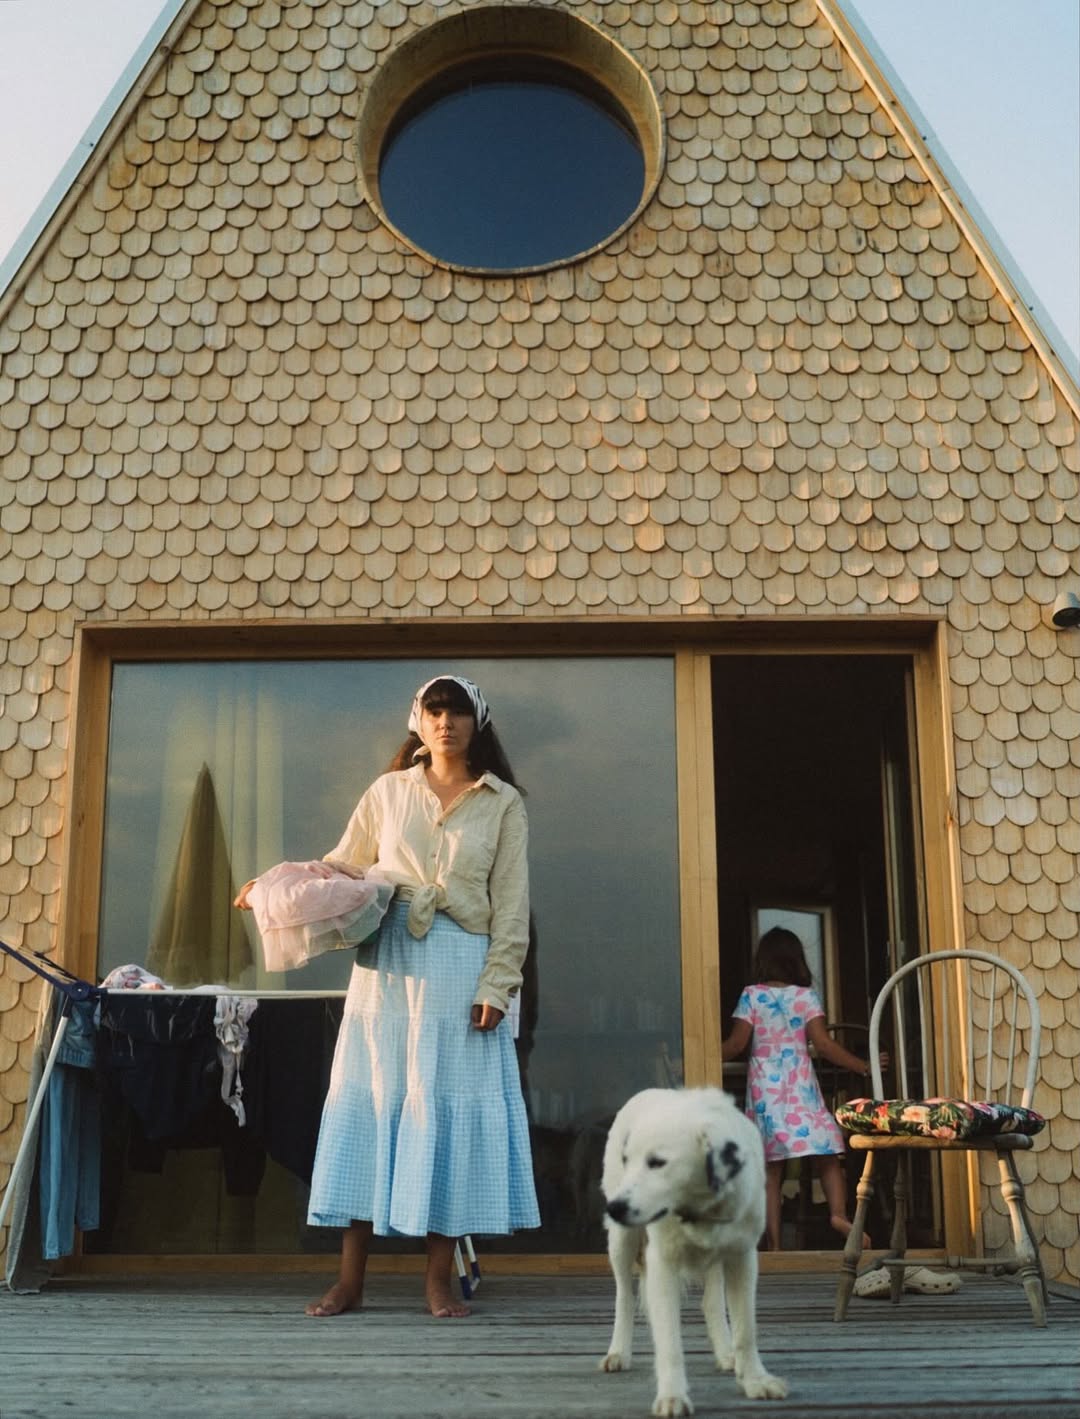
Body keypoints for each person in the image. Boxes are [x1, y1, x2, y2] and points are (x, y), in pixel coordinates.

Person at [235, 674, 540, 1317]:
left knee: (444, 1114)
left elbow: (512, 907)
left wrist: (498, 983)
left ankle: (437, 1280)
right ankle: (349, 1281)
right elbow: (342, 865)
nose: (445, 722)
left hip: (461, 963)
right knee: (371, 1106)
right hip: (389, 958)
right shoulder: (388, 791)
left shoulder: (503, 803)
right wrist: (273, 886)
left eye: (457, 711)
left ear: (477, 721)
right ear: (417, 721)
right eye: (434, 711)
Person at [720, 926, 883, 1252]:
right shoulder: (806, 997)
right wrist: (863, 1065)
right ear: (797, 960)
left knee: (771, 1169)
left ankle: (775, 1246)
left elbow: (736, 1045)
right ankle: (838, 1215)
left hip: (766, 1091)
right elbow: (823, 1045)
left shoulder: (752, 995)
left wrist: (696, 1058)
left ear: (763, 960)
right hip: (801, 1087)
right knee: (827, 1151)